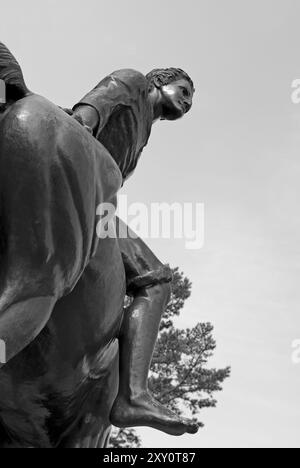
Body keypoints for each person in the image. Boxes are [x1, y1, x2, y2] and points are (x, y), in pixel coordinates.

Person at [67, 67, 198, 435]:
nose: (187, 103)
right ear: (160, 81)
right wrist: (81, 123)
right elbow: (99, 101)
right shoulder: (135, 83)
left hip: (96, 200)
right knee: (156, 281)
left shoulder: (144, 131)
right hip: (86, 192)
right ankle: (133, 395)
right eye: (184, 91)